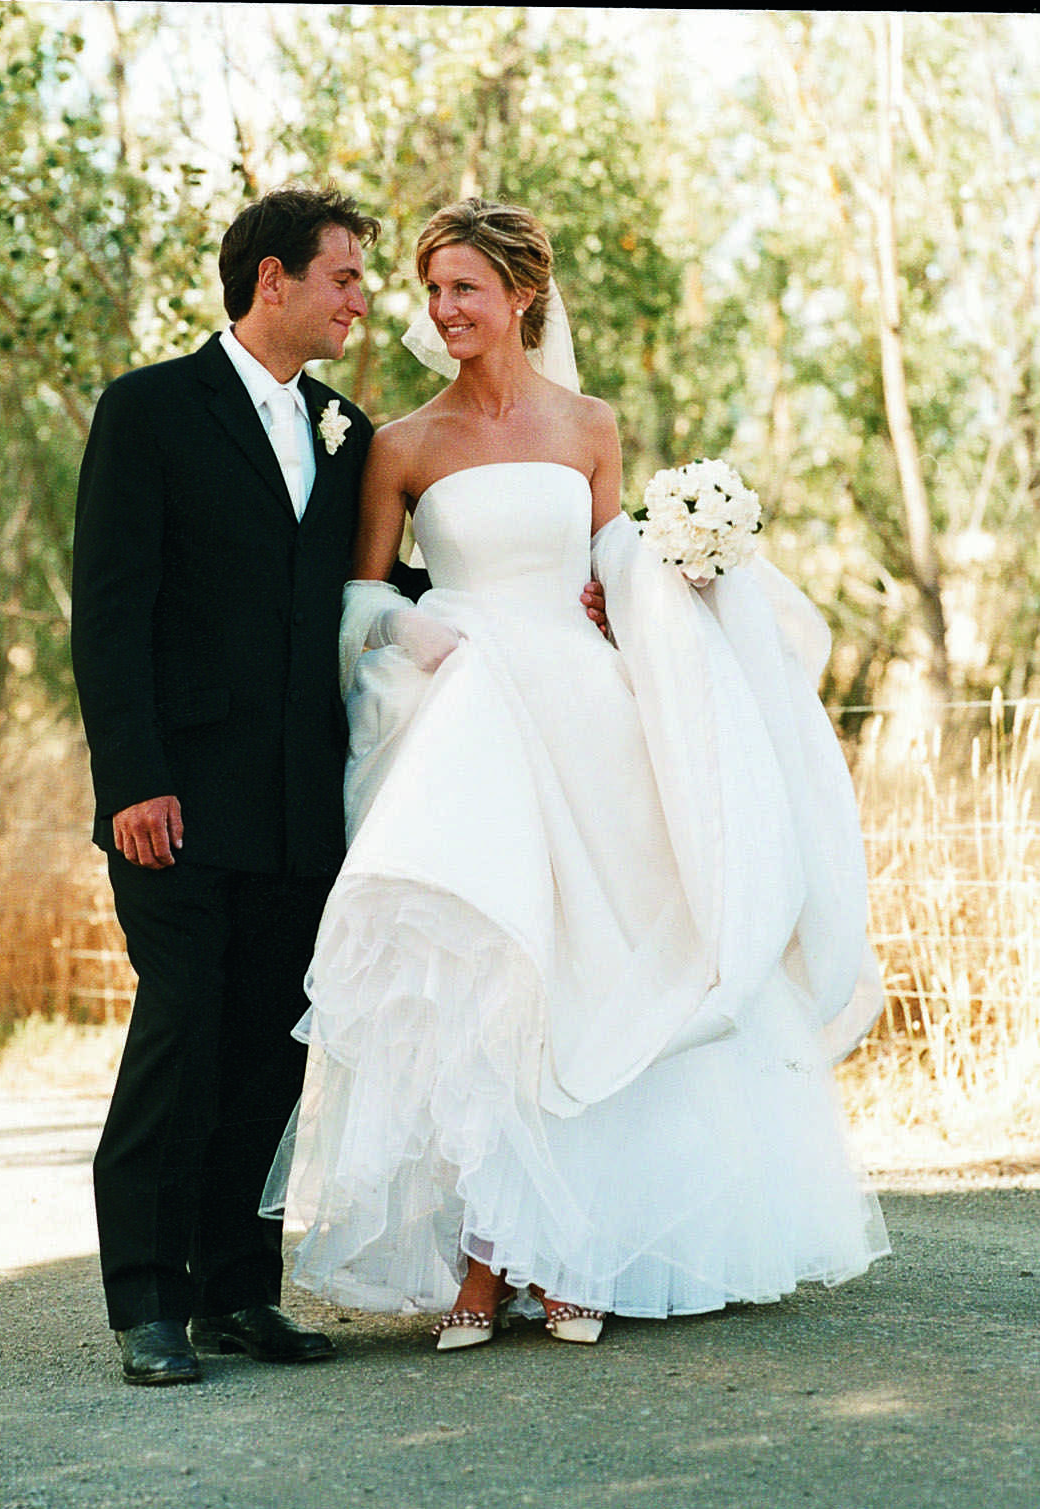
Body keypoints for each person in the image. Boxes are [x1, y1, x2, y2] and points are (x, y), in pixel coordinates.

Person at [262, 198, 890, 1349]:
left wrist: (671, 571)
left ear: (520, 297)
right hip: (467, 713)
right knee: (488, 967)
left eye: (464, 289)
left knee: (594, 971)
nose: (443, 310)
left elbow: (611, 565)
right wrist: (409, 634)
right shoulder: (399, 443)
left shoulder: (589, 424)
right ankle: (479, 1260)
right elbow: (358, 597)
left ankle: (573, 1246)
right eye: (431, 289)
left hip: (585, 713)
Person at [71, 186, 390, 1385]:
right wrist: (133, 782)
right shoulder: (150, 410)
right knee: (182, 1035)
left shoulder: (346, 425)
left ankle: (236, 1291)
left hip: (305, 804)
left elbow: (367, 586)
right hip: (179, 804)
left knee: (269, 1048)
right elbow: (109, 611)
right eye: (344, 276)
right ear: (273, 280)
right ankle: (147, 1302)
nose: (362, 298)